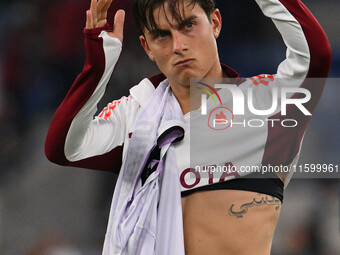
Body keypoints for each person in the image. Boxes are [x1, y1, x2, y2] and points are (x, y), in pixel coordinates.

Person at [45, 0, 332, 254]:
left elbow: (314, 56)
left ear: (215, 23)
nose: (178, 46)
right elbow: (65, 148)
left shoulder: (266, 108)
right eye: (161, 35)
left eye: (188, 25)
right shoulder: (138, 113)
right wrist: (98, 66)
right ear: (147, 47)